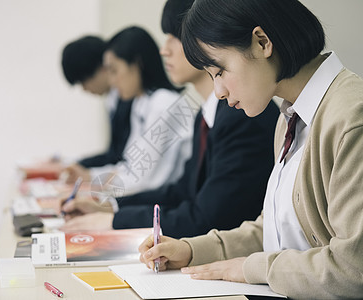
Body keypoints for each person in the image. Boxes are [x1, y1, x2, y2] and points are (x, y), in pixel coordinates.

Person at [139, 0, 363, 298]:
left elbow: (355, 269)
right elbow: (274, 231)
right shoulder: (290, 118)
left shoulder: (354, 118)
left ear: (262, 42)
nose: (219, 92)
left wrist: (250, 268)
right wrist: (191, 249)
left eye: (220, 71)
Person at [60, 0, 279, 237]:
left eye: (174, 37)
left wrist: (112, 215)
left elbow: (149, 180)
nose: (164, 50)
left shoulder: (232, 114)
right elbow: (179, 190)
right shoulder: (202, 115)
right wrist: (110, 207)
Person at [60, 26, 196, 230]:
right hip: (153, 202)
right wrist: (94, 183)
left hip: (171, 208)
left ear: (137, 64)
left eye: (114, 71)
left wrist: (98, 195)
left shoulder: (164, 104)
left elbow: (144, 179)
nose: (112, 81)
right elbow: (130, 164)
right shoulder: (142, 102)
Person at [61, 36, 133, 168]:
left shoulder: (131, 98)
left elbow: (118, 156)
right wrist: (76, 164)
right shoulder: (112, 99)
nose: (84, 88)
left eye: (84, 81)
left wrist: (82, 167)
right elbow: (113, 153)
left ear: (102, 67)